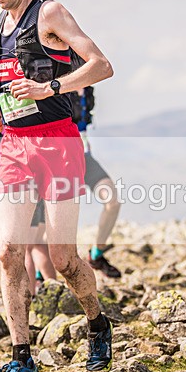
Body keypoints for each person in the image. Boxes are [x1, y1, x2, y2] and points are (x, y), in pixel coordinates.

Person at [0, 0, 114, 372]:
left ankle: (97, 323)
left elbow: (102, 66)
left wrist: (51, 87)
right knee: (8, 252)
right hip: (13, 145)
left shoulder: (50, 13)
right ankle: (22, 358)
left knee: (63, 260)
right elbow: (3, 80)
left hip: (58, 142)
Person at [71, 87, 123, 278]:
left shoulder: (86, 90)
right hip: (62, 159)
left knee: (113, 202)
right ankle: (40, 273)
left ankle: (96, 255)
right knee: (55, 218)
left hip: (85, 158)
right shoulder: (58, 84)